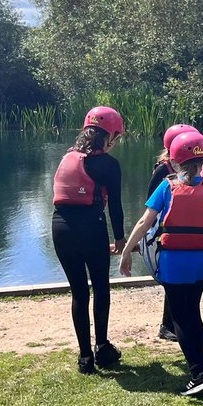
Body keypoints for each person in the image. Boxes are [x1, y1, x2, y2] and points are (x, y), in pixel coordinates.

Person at [120, 131, 203, 396]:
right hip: (199, 263)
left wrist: (126, 252)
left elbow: (144, 222)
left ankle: (197, 372)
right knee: (191, 312)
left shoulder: (166, 186)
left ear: (175, 160)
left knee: (181, 318)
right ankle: (201, 368)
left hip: (171, 263)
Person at [51, 106, 126, 374]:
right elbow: (114, 205)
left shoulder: (67, 157)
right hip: (91, 228)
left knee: (79, 293)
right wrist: (119, 238)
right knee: (101, 288)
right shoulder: (108, 164)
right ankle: (102, 348)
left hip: (60, 228)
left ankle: (84, 358)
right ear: (111, 136)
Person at [148, 123, 199, 341]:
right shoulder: (164, 170)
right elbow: (152, 200)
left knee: (190, 282)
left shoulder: (189, 169)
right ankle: (167, 325)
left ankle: (190, 324)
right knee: (173, 283)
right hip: (167, 230)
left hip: (188, 229)